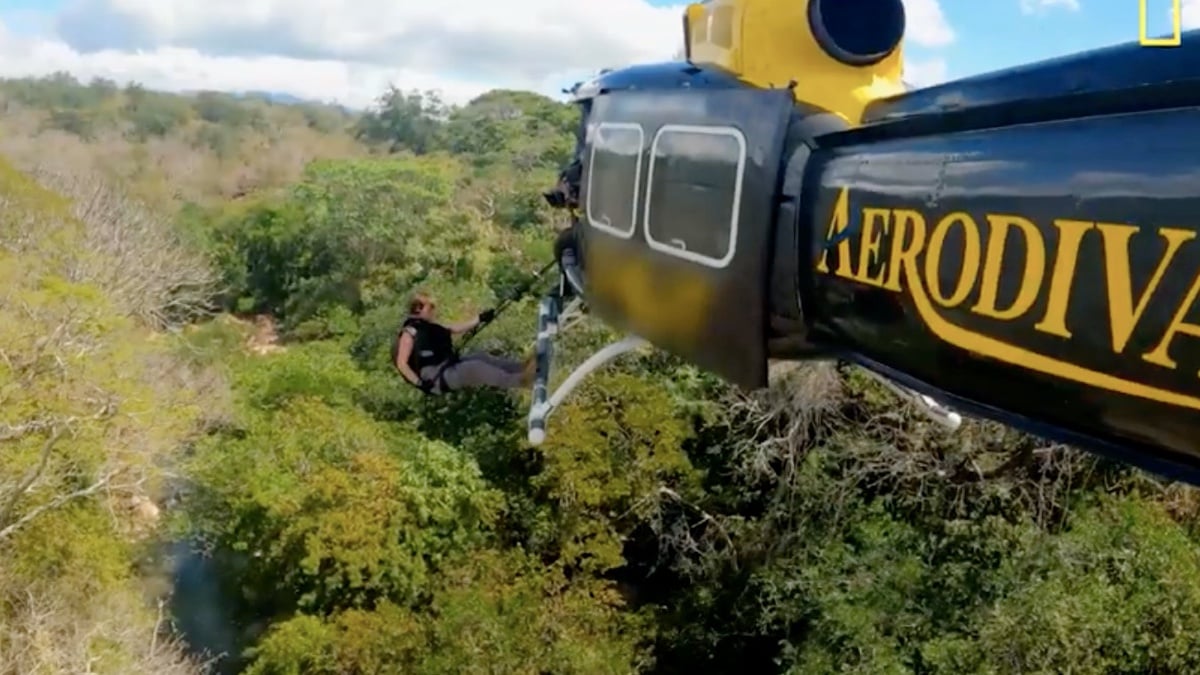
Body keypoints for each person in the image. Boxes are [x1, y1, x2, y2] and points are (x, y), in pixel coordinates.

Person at [392, 292, 536, 395]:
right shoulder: (409, 333)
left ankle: (522, 368)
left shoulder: (428, 328)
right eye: (431, 307)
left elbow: (454, 328)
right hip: (435, 377)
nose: (434, 311)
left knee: (480, 357)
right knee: (474, 368)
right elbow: (402, 364)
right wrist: (420, 384)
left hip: (446, 365)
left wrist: (480, 318)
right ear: (418, 308)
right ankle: (523, 381)